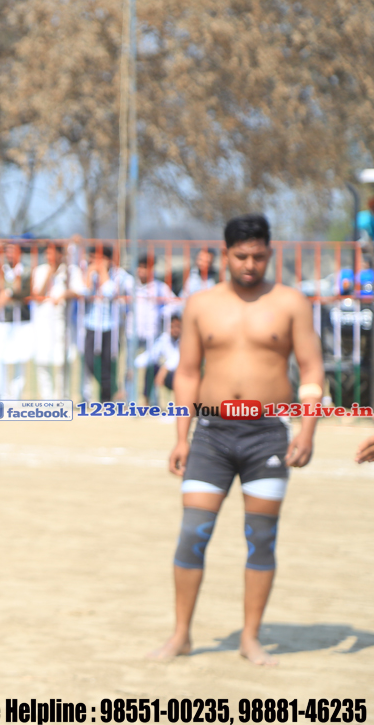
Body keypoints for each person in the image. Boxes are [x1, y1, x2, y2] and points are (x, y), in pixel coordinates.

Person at [149, 213, 324, 666]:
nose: (250, 264)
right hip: (211, 434)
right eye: (242, 256)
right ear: (225, 254)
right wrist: (181, 436)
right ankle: (181, 635)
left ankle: (250, 638)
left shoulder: (290, 303)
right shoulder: (201, 305)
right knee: (193, 533)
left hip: (267, 435)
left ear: (270, 253)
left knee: (261, 538)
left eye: (258, 256)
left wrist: (307, 429)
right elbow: (188, 373)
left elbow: (311, 370)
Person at [71, 242, 131, 402]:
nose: (95, 262)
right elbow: (83, 292)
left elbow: (109, 292)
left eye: (100, 258)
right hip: (91, 324)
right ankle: (115, 390)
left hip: (111, 325)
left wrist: (103, 271)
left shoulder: (119, 275)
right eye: (93, 258)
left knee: (109, 363)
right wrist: (90, 274)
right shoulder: (87, 272)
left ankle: (107, 400)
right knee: (90, 361)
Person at [30, 241, 75, 400]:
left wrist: (64, 295)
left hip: (61, 321)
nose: (48, 256)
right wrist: (50, 273)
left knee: (61, 360)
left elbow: (80, 290)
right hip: (43, 321)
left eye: (52, 252)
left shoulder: (70, 271)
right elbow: (37, 294)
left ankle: (61, 396)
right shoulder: (40, 270)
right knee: (42, 359)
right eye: (47, 252)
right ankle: (46, 398)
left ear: (60, 254)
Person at [0, 241, 31, 400]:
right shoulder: (0, 269)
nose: (9, 254)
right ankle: (2, 396)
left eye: (13, 250)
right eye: (7, 251)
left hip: (20, 320)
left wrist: (8, 293)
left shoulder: (26, 270)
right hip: (1, 319)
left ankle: (16, 396)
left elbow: (24, 290)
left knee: (20, 358)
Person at [133, 256, 177, 405]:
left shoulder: (159, 287)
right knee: (130, 368)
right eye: (139, 266)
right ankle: (130, 399)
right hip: (132, 333)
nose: (141, 270)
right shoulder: (132, 286)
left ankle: (151, 400)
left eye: (145, 267)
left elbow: (174, 304)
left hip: (152, 334)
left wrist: (162, 312)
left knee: (151, 368)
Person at [135, 312, 182, 398]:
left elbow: (176, 359)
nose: (175, 330)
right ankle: (146, 401)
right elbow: (152, 355)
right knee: (152, 368)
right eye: (172, 327)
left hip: (182, 376)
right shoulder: (165, 339)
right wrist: (134, 364)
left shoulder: (185, 339)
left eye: (178, 327)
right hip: (169, 375)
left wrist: (164, 370)